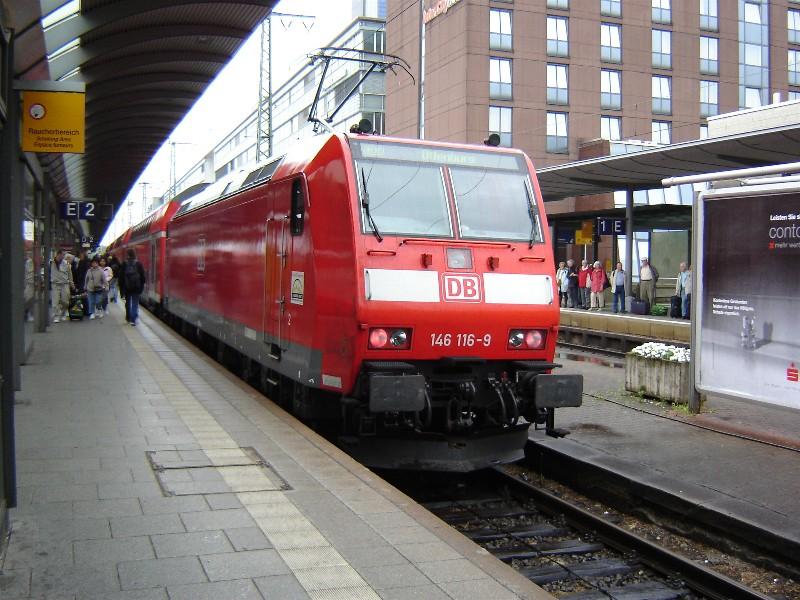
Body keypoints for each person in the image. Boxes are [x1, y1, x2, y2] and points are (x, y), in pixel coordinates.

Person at [119, 248, 146, 326]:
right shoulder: (139, 264)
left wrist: (121, 289)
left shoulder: (124, 264)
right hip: (136, 287)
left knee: (128, 303)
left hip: (127, 287)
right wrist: (141, 286)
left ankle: (128, 318)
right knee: (135, 303)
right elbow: (143, 277)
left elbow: (121, 277)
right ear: (135, 255)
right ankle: (133, 319)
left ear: (127, 255)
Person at [50, 250, 74, 323]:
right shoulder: (51, 262)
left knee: (65, 300)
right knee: (55, 301)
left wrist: (72, 283)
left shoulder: (66, 264)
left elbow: (70, 274)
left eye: (64, 255)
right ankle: (56, 316)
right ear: (58, 254)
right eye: (62, 255)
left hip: (64, 284)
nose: (63, 256)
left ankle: (63, 312)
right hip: (55, 284)